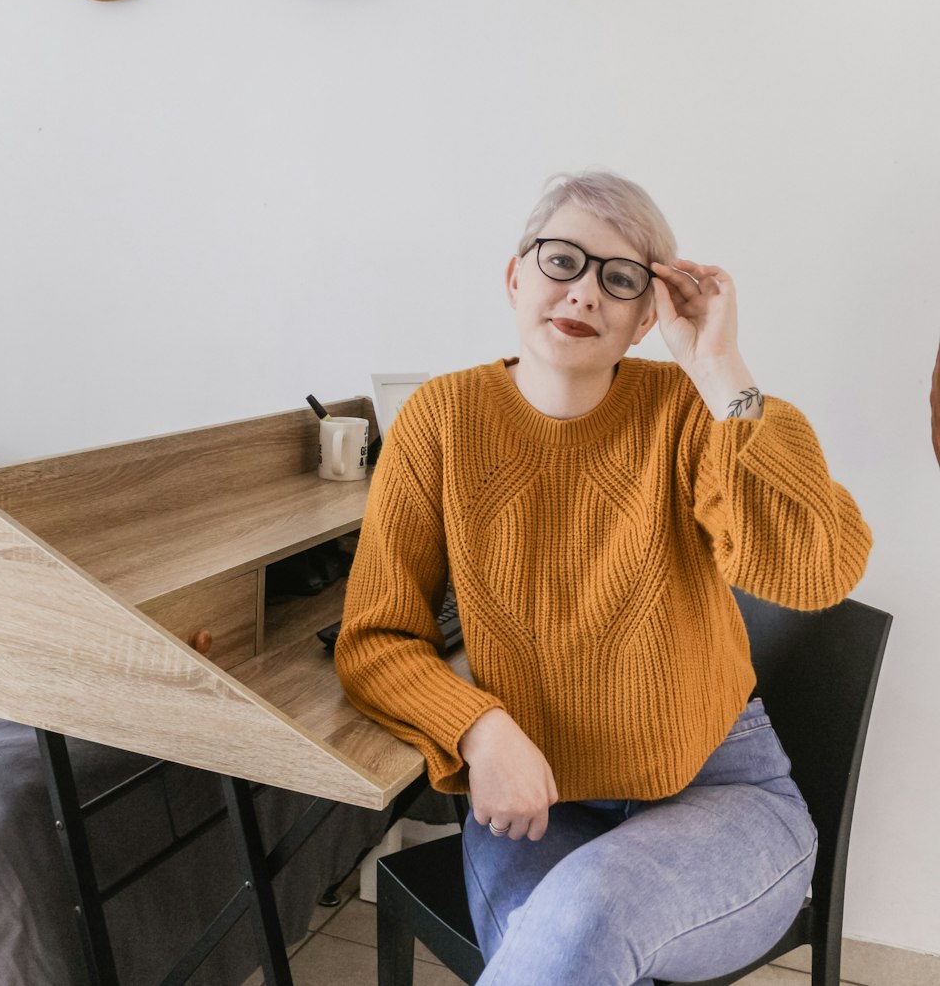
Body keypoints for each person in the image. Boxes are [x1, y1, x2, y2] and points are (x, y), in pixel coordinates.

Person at [335, 170, 872, 985]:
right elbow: (376, 636)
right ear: (516, 276)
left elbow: (818, 565)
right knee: (557, 947)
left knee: (580, 923)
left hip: (724, 795)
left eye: (618, 278)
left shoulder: (689, 410)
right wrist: (482, 727)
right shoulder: (439, 421)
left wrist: (723, 370)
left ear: (646, 315)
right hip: (538, 805)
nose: (584, 292)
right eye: (562, 261)